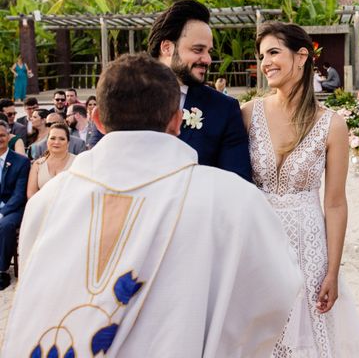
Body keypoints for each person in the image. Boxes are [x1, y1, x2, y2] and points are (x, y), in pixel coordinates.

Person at [2, 53, 301, 356]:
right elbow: (275, 292)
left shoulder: (47, 202)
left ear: (97, 120)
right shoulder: (233, 199)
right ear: (176, 119)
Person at [242, 22, 359, 356]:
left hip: (308, 245)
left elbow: (335, 204)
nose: (265, 62)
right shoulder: (247, 114)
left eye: (273, 52)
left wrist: (333, 270)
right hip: (261, 242)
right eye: (262, 55)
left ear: (301, 57)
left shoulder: (333, 124)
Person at [148, 0, 251, 181]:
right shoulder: (124, 98)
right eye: (198, 50)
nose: (207, 59)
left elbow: (237, 184)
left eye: (208, 51)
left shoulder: (224, 109)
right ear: (167, 48)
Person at [0, 119, 30, 290]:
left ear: (8, 136)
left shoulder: (20, 161)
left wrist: (3, 212)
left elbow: (19, 195)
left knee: (5, 226)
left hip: (13, 208)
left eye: (2, 135)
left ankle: (2, 270)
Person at [26, 123, 75, 199]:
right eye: (53, 138)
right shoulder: (38, 164)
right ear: (47, 141)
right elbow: (31, 194)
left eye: (62, 139)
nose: (56, 142)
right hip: (42, 208)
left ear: (68, 143)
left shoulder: (77, 161)